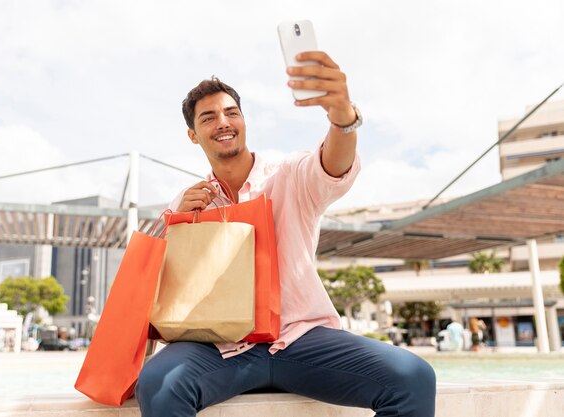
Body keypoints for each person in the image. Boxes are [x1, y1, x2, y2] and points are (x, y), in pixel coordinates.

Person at [135, 51, 436, 417]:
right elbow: (160, 284)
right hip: (218, 346)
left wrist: (342, 117)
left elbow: (333, 166)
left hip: (301, 339)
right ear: (193, 135)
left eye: (232, 113)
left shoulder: (289, 174)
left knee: (413, 378)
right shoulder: (187, 203)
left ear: (244, 121)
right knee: (158, 384)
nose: (223, 122)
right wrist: (175, 219)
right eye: (209, 117)